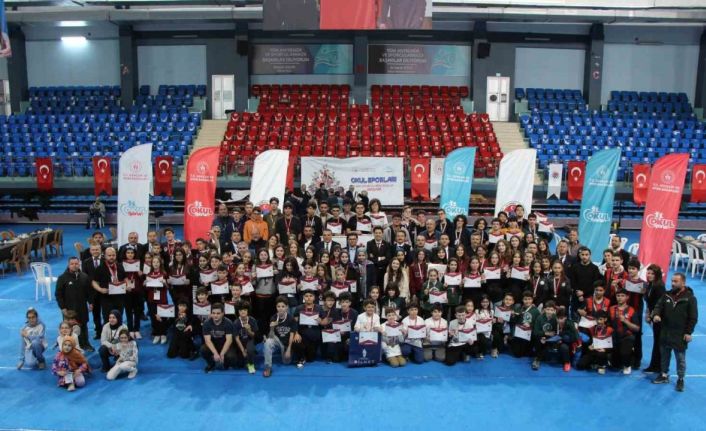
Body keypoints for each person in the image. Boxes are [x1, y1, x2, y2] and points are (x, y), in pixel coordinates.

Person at [652, 273, 698, 392]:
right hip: (665, 331)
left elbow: (693, 318)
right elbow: (658, 307)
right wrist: (656, 314)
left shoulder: (690, 298)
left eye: (675, 281)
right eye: (672, 281)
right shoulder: (666, 295)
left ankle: (680, 379)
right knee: (664, 356)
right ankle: (664, 375)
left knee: (680, 359)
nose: (672, 283)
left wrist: (688, 332)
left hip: (680, 334)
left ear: (683, 283)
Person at [55, 257, 94, 351]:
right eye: (72, 264)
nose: (74, 265)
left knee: (83, 325)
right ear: (68, 265)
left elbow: (89, 291)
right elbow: (58, 294)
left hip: (82, 307)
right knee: (68, 327)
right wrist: (62, 307)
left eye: (76, 264)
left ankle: (85, 343)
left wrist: (91, 303)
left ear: (79, 264)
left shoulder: (84, 276)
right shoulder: (62, 278)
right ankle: (68, 345)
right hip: (68, 309)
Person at [263, 296, 301, 377]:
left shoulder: (291, 319)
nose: (280, 308)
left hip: (287, 342)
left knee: (286, 362)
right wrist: (272, 328)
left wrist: (289, 349)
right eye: (278, 306)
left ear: (287, 307)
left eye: (283, 306)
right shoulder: (273, 317)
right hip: (277, 340)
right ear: (276, 307)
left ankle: (287, 351)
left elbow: (292, 334)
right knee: (267, 342)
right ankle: (268, 367)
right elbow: (271, 336)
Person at [201, 303, 237, 373]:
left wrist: (222, 354)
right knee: (203, 350)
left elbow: (229, 340)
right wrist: (215, 353)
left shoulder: (228, 323)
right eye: (213, 313)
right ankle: (211, 364)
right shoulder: (206, 323)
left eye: (218, 313)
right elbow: (208, 341)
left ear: (223, 313)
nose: (215, 315)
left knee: (231, 357)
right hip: (213, 344)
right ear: (211, 313)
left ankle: (225, 363)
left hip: (225, 344)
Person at [643, 264, 666, 373]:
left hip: (659, 318)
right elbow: (649, 302)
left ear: (657, 275)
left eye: (652, 273)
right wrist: (648, 314)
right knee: (656, 341)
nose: (649, 275)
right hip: (653, 316)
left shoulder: (659, 286)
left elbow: (660, 304)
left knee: (659, 342)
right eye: (648, 273)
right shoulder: (650, 284)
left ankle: (659, 366)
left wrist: (652, 315)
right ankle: (654, 365)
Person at [233, 301, 258, 374]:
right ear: (238, 311)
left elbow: (254, 336)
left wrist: (249, 330)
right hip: (240, 342)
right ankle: (248, 353)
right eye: (240, 310)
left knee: (250, 350)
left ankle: (251, 364)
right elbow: (237, 338)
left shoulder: (252, 320)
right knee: (239, 364)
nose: (243, 312)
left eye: (245, 310)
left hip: (250, 340)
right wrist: (243, 350)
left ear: (248, 311)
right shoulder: (236, 322)